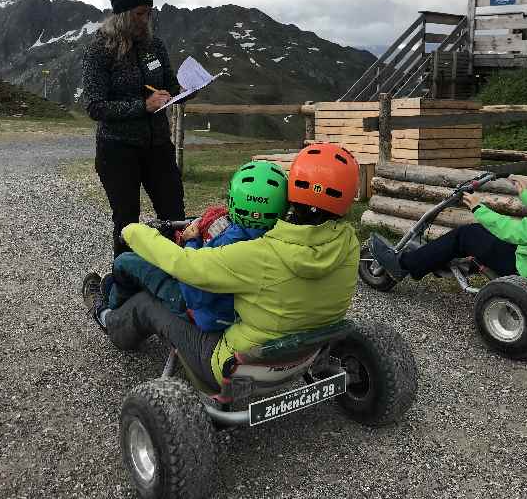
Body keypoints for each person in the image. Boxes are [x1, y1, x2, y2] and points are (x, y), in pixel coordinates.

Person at [82, 143, 361, 389]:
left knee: (145, 302)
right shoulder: (349, 243)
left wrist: (134, 231)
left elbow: (185, 265)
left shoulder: (259, 254)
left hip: (236, 363)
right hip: (309, 348)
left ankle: (106, 316)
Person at [370, 115, 527, 281]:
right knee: (481, 233)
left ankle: (404, 266)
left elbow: (526, 235)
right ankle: (437, 260)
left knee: (466, 234)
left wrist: (480, 209)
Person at [84, 160, 289, 333]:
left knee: (124, 262)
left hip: (204, 311)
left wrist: (192, 239)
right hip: (238, 309)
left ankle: (110, 317)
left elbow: (194, 281)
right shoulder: (283, 238)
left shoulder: (230, 242)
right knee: (128, 273)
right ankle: (113, 291)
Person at [81, 0, 185, 261]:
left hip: (158, 146)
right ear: (123, 14)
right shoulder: (100, 49)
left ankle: (175, 281)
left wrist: (184, 92)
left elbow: (170, 86)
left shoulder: (155, 46)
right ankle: (124, 289)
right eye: (139, 14)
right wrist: (143, 106)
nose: (145, 19)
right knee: (127, 223)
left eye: (148, 13)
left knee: (175, 216)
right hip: (118, 151)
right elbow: (95, 106)